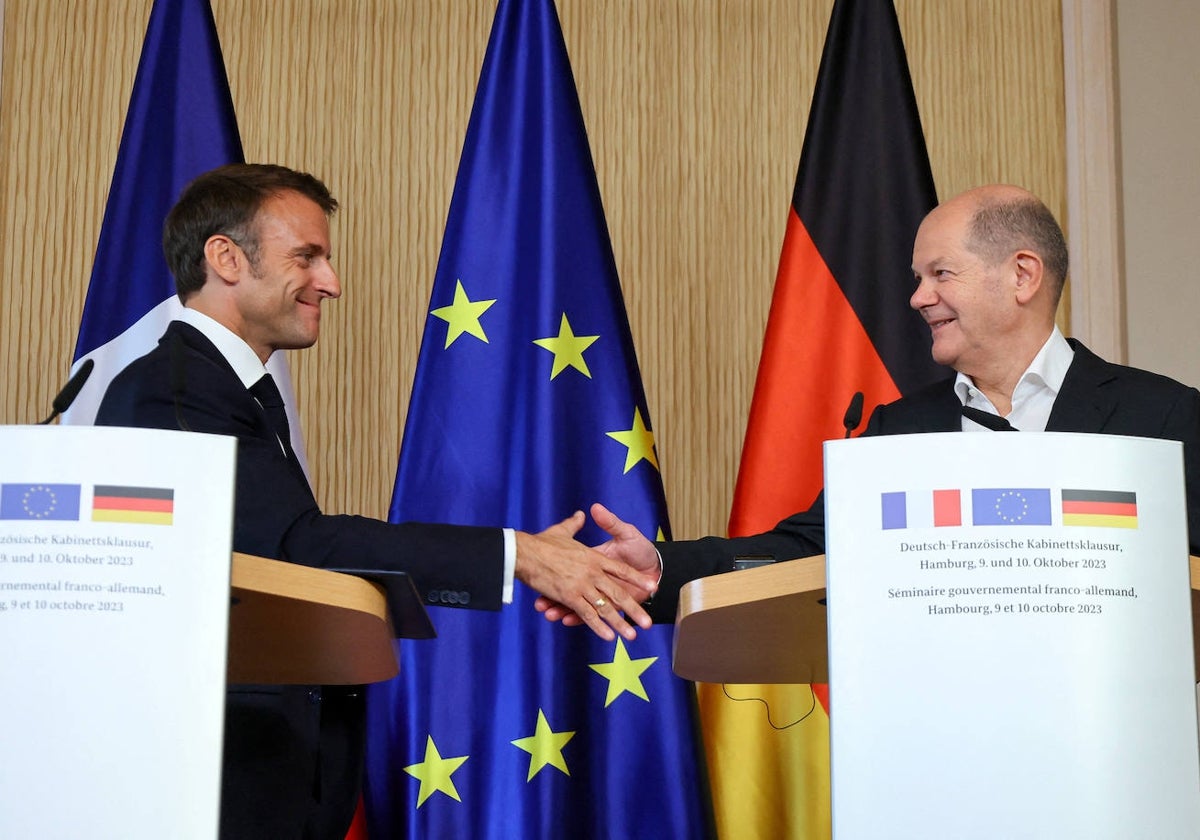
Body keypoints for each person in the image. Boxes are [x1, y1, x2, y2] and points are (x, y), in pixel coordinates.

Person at [94, 163, 658, 839]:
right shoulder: (173, 390)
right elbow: (299, 549)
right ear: (225, 258)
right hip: (220, 782)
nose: (331, 283)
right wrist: (519, 556)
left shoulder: (221, 387)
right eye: (306, 257)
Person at [537, 183, 1200, 626]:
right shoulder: (897, 430)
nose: (917, 297)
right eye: (918, 278)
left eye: (940, 273)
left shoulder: (1164, 420)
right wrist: (664, 567)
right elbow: (808, 552)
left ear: (1022, 275)